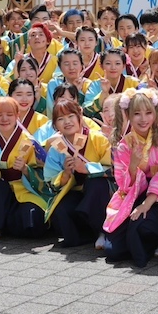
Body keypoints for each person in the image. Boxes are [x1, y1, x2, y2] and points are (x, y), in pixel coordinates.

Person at [104, 88, 158, 267]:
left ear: (156, 112)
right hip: (136, 195)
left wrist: (146, 204)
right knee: (114, 250)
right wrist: (133, 165)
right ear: (127, 115)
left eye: (148, 112)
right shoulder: (125, 145)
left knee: (139, 228)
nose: (143, 119)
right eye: (137, 114)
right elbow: (123, 185)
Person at [0, 97, 50, 243]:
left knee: (33, 223)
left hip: (25, 189)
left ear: (17, 116)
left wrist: (26, 169)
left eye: (9, 114)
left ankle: (6, 223)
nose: (4, 118)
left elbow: (43, 171)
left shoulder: (29, 141)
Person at [44, 99, 113, 248]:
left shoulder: (98, 138)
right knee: (62, 209)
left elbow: (114, 169)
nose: (67, 122)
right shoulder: (57, 148)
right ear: (55, 125)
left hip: (101, 191)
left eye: (70, 116)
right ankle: (85, 236)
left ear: (79, 117)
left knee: (97, 185)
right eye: (60, 119)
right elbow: (50, 181)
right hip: (75, 190)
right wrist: (66, 174)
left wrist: (87, 168)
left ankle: (102, 231)